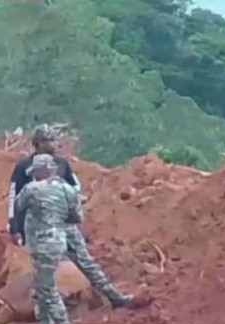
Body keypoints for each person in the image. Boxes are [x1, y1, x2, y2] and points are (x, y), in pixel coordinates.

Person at [8, 124, 134, 309]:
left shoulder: (61, 164)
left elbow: (75, 187)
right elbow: (14, 198)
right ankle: (42, 311)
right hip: (39, 227)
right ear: (38, 143)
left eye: (54, 139)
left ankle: (113, 296)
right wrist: (14, 227)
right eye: (49, 140)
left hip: (64, 224)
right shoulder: (24, 168)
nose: (54, 144)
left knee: (85, 261)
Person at [14, 155, 78, 324]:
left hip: (42, 244)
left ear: (42, 170)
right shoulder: (69, 190)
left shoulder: (32, 189)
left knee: (47, 290)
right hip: (58, 241)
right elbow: (76, 217)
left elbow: (18, 206)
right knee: (40, 287)